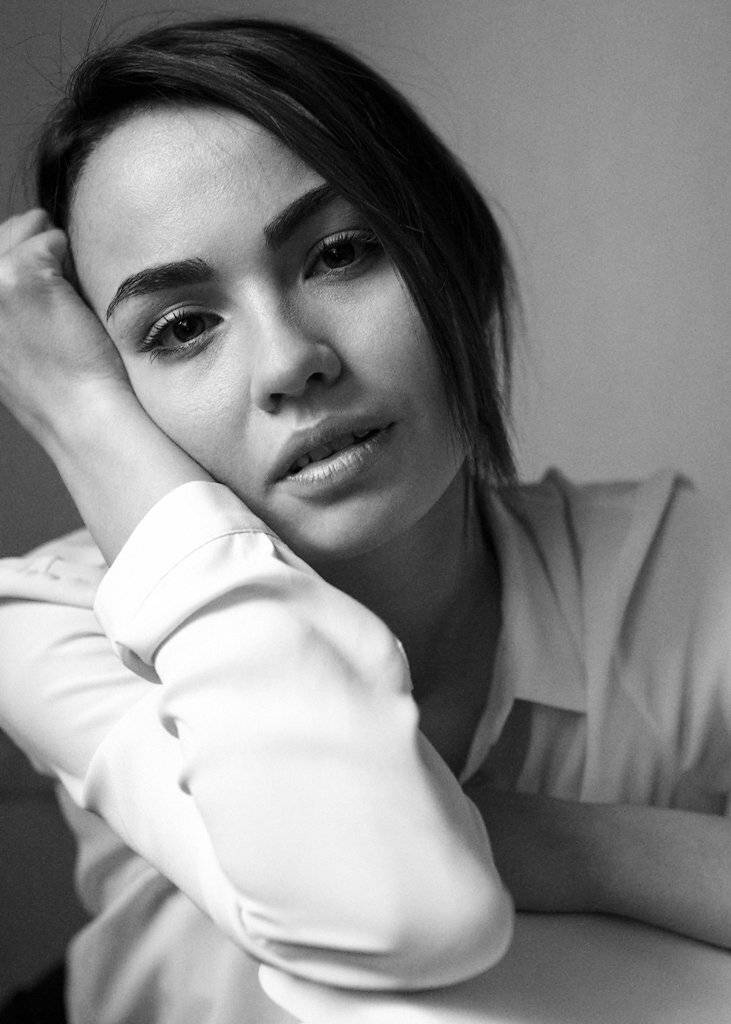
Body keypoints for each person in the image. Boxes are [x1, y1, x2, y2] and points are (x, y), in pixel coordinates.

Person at [0, 16, 728, 1024]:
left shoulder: (677, 571)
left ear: (455, 264)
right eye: (180, 328)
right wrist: (77, 411)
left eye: (339, 254)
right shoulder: (48, 620)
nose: (290, 360)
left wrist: (542, 838)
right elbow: (393, 907)